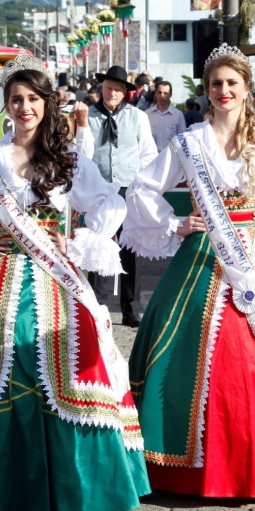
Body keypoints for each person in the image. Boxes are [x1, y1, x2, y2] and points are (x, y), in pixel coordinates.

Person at [0, 55, 149, 511]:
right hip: (2, 274)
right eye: (15, 100)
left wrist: (77, 240)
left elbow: (106, 203)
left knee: (67, 362)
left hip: (55, 275)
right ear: (6, 106)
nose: (23, 108)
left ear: (46, 103)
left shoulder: (70, 159)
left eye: (32, 99)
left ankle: (74, 484)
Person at [123, 44, 255, 498]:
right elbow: (144, 188)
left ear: (246, 88)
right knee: (204, 347)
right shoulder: (188, 141)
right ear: (207, 90)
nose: (223, 90)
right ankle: (189, 464)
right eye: (216, 83)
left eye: (232, 83)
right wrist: (176, 223)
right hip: (203, 256)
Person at [73, 65, 159, 327]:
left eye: (118, 89)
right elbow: (83, 155)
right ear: (102, 89)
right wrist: (83, 126)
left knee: (128, 250)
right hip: (99, 190)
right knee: (98, 245)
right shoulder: (89, 115)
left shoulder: (138, 117)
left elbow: (149, 153)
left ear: (125, 93)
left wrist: (137, 181)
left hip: (127, 189)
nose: (112, 93)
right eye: (109, 88)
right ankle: (96, 307)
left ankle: (130, 309)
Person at [145, 80, 188, 151]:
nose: (162, 95)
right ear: (155, 93)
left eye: (165, 93)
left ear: (170, 95)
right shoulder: (147, 114)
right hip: (152, 157)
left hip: (171, 157)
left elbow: (182, 139)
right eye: (159, 92)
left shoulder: (178, 115)